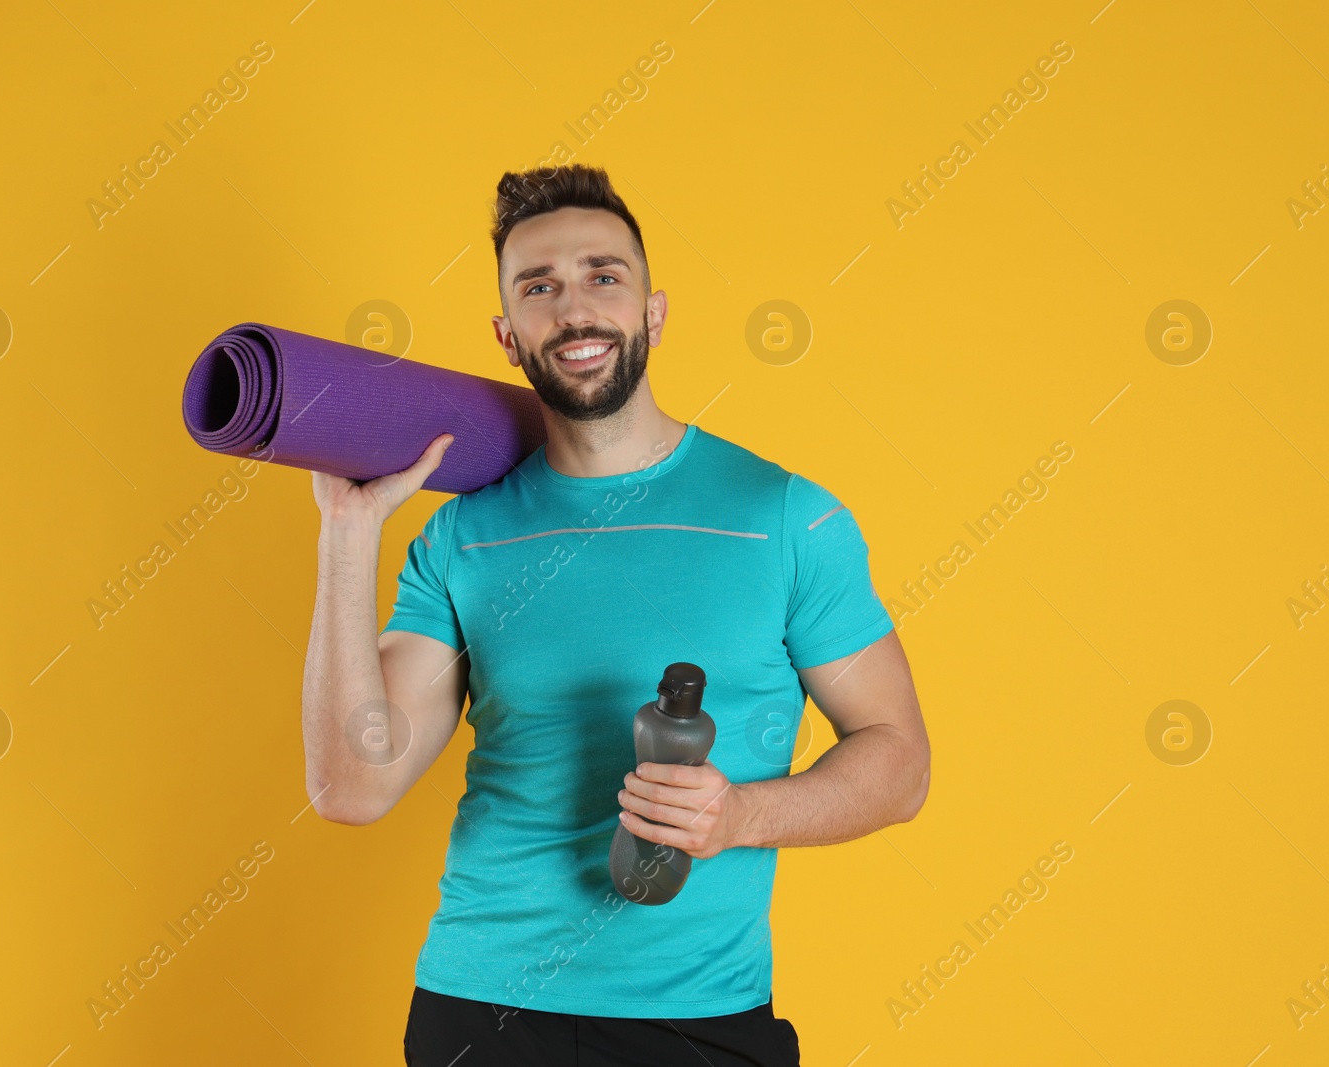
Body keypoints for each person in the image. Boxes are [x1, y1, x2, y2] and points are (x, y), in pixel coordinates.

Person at [303, 163, 930, 1066]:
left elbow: (900, 760)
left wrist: (740, 816)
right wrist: (348, 531)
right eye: (539, 288)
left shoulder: (785, 517)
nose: (575, 309)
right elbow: (350, 787)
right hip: (481, 1011)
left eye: (604, 276)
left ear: (654, 312)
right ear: (508, 335)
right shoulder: (463, 535)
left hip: (697, 1017)